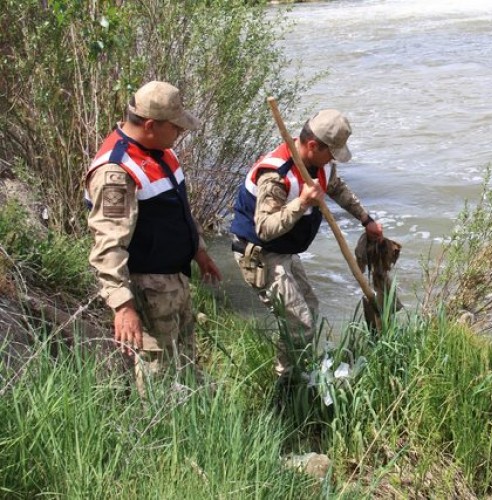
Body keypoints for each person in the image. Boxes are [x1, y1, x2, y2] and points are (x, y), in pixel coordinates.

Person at [85, 80, 222, 394]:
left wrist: (199, 251)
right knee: (157, 376)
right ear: (150, 125)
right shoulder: (116, 172)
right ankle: (160, 437)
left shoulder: (160, 151)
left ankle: (191, 429)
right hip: (149, 290)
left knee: (185, 365)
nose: (180, 133)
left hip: (174, 282)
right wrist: (122, 306)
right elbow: (108, 245)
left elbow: (177, 210)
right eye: (175, 127)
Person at [230, 109, 383, 375]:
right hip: (260, 254)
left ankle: (299, 371)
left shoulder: (320, 163)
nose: (333, 159)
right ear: (313, 145)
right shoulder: (276, 175)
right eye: (331, 153)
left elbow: (336, 188)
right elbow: (265, 228)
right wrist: (301, 203)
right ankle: (287, 384)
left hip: (286, 251)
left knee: (309, 308)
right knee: (299, 324)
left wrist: (366, 219)